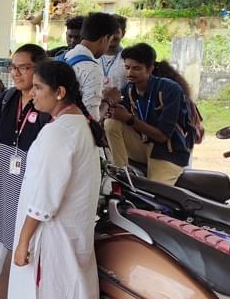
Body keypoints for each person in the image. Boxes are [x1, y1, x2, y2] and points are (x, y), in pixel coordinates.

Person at [8, 61, 103, 298]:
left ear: (59, 92)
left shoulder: (59, 132)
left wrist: (23, 241)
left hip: (50, 238)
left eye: (38, 88)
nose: (31, 93)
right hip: (68, 234)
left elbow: (45, 199)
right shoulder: (77, 123)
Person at [0, 44, 51, 292]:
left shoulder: (47, 105)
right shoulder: (7, 98)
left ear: (39, 68)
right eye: (13, 67)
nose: (16, 73)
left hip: (29, 187)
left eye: (23, 67)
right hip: (1, 181)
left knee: (28, 252)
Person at [103, 44, 195, 184]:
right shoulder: (128, 90)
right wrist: (108, 102)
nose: (129, 73)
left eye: (136, 68)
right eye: (127, 68)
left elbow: (162, 136)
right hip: (143, 146)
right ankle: (121, 173)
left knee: (157, 197)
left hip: (168, 152)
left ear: (150, 69)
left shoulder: (170, 89)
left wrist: (129, 119)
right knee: (111, 123)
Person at [63, 12, 119, 120]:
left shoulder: (66, 56)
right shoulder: (92, 69)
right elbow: (91, 119)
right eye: (110, 41)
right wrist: (108, 101)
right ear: (105, 38)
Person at [99, 14, 128, 90]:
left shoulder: (128, 58)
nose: (111, 36)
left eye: (116, 32)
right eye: (107, 31)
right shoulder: (93, 56)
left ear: (123, 33)